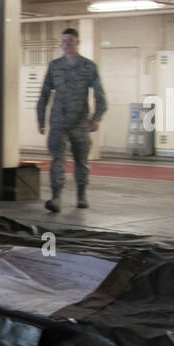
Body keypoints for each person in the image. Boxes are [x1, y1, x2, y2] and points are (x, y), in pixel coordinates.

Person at [36, 27, 106, 212]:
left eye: (70, 41)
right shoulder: (55, 66)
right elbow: (44, 93)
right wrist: (40, 119)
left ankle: (81, 195)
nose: (67, 44)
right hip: (58, 122)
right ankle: (56, 197)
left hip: (80, 123)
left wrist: (96, 117)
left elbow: (100, 95)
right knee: (57, 160)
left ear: (77, 42)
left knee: (81, 161)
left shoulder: (88, 66)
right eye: (64, 41)